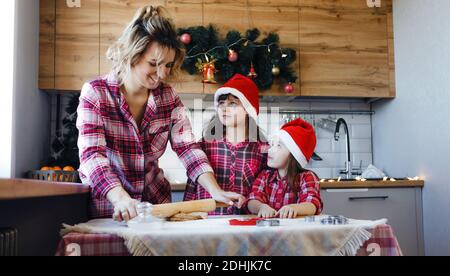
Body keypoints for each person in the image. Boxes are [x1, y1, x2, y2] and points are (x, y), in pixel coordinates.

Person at [76, 5, 244, 222]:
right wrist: (120, 198)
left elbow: (188, 149)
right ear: (132, 55)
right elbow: (92, 155)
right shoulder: (96, 92)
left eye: (168, 65)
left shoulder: (168, 97)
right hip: (109, 207)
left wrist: (215, 190)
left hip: (156, 207)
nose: (162, 74)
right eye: (154, 64)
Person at [183, 74, 269, 215]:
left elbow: (265, 192)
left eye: (233, 104)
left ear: (248, 110)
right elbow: (191, 190)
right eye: (221, 103)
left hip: (246, 227)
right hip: (207, 227)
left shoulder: (262, 150)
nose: (224, 108)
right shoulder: (205, 145)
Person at [247, 118, 323, 219]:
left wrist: (295, 208)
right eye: (271, 144)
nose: (270, 150)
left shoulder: (307, 177)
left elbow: (312, 204)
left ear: (294, 154)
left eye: (278, 146)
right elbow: (252, 200)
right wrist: (261, 207)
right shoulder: (265, 176)